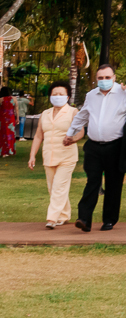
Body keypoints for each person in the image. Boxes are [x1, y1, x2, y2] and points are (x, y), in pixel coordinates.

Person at [66, 66, 126, 232]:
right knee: (92, 181)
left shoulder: (123, 93)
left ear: (114, 77)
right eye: (100, 78)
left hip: (116, 146)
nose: (104, 81)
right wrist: (70, 133)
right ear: (96, 79)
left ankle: (109, 220)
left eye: (107, 77)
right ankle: (84, 219)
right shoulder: (91, 95)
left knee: (114, 183)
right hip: (94, 146)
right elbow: (83, 115)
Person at [27, 82, 80, 228]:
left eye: (61, 94)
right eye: (54, 94)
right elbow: (38, 136)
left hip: (67, 156)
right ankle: (64, 215)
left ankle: (52, 218)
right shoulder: (45, 114)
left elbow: (81, 131)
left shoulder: (73, 112)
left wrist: (73, 139)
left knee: (59, 186)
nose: (57, 96)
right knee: (53, 188)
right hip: (49, 155)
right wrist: (32, 155)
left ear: (67, 97)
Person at [0, 87, 15, 156]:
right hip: (11, 118)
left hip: (3, 118)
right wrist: (17, 118)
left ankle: (3, 150)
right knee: (11, 133)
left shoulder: (1, 99)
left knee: (3, 134)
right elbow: (16, 109)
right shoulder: (14, 99)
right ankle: (10, 150)